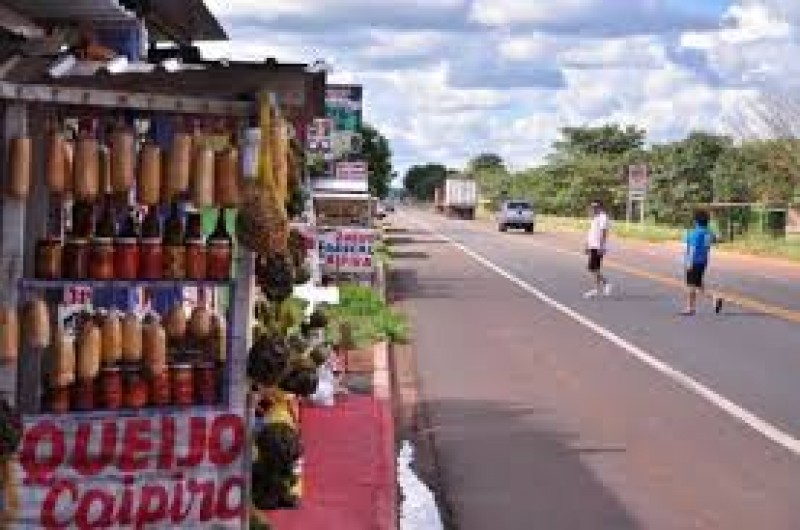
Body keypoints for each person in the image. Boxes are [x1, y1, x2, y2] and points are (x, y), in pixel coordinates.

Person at [682, 210, 724, 315]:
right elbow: (718, 239)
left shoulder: (694, 233)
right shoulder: (708, 233)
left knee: (691, 285)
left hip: (694, 261)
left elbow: (692, 248)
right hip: (704, 261)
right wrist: (714, 227)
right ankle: (714, 298)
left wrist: (689, 263)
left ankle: (690, 308)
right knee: (698, 285)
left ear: (696, 221)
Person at [584, 201, 613, 298]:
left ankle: (605, 283)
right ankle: (597, 288)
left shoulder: (603, 217)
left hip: (598, 246)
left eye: (594, 207)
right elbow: (591, 232)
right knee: (594, 268)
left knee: (593, 268)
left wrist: (601, 246)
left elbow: (603, 232)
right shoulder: (594, 218)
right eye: (592, 207)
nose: (592, 209)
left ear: (599, 207)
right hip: (593, 245)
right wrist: (587, 245)